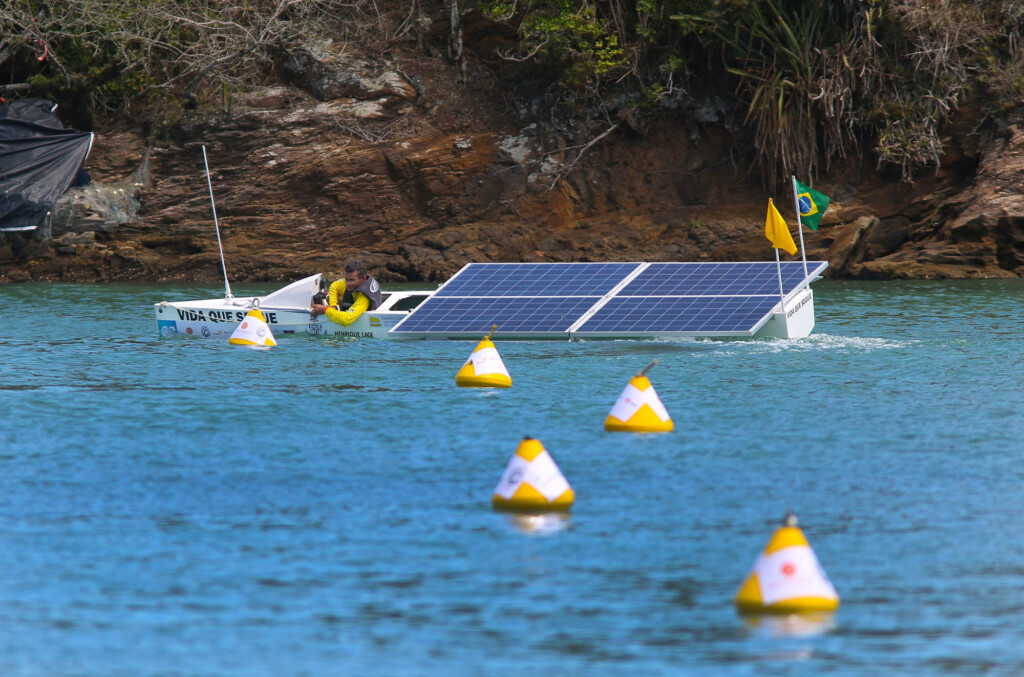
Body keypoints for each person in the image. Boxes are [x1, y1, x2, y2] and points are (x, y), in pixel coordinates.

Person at [311, 260, 382, 326]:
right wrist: (333, 306)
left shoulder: (364, 297)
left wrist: (325, 310)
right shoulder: (352, 281)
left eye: (352, 280)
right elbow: (334, 286)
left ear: (363, 278)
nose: (348, 283)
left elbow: (346, 319)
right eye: (346, 279)